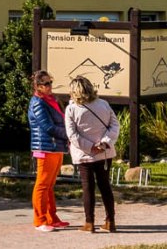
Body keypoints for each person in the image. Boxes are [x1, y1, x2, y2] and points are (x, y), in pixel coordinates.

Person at [65, 74, 119, 233]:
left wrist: (89, 147)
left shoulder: (71, 109)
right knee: (105, 186)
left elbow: (72, 135)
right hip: (104, 153)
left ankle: (89, 223)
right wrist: (104, 143)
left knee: (88, 188)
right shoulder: (103, 104)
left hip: (84, 154)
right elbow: (115, 125)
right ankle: (111, 221)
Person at [28, 69, 69, 232]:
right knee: (42, 185)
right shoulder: (38, 102)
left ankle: (52, 217)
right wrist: (69, 134)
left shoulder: (50, 100)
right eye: (46, 83)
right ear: (38, 86)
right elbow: (48, 127)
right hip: (45, 146)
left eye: (50, 82)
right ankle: (40, 220)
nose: (50, 86)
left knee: (50, 185)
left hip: (55, 146)